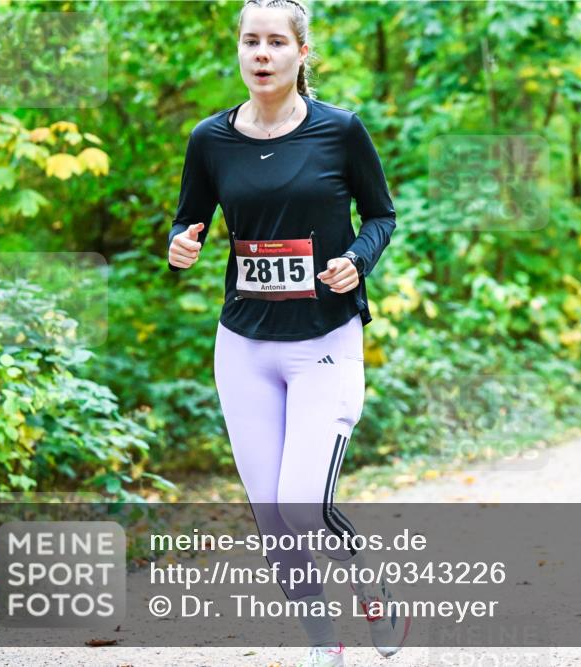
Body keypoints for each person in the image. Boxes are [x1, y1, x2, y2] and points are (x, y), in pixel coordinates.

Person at [167, 2, 408, 665]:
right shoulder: (209, 139)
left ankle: (370, 583)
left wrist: (356, 260)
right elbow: (188, 220)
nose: (262, 53)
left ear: (303, 53)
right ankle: (322, 645)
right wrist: (178, 247)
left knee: (302, 506)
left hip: (323, 341)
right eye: (251, 41)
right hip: (243, 345)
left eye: (276, 41)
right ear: (239, 51)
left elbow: (381, 216)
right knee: (274, 521)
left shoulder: (339, 131)